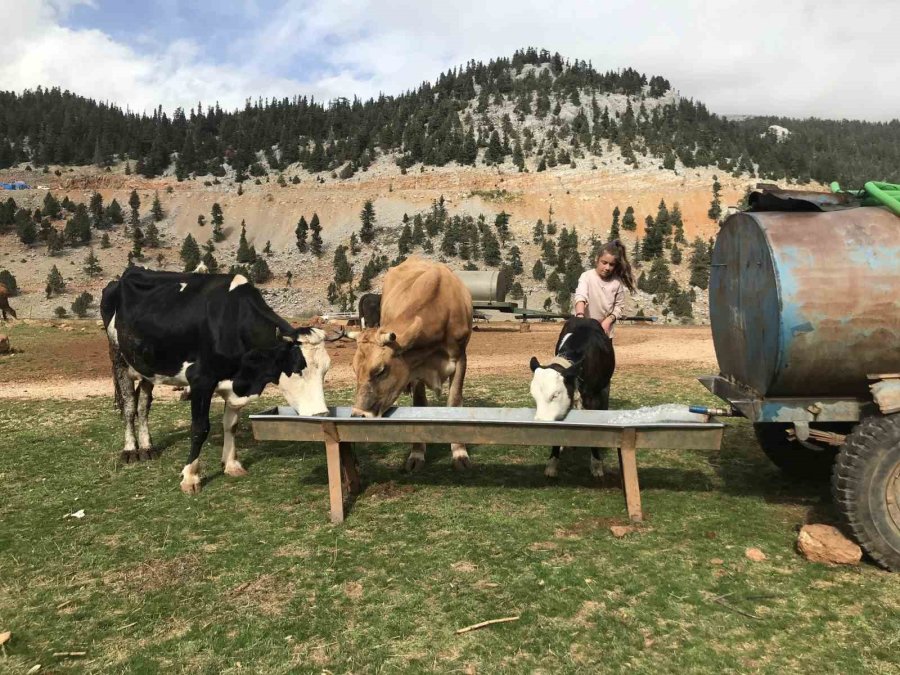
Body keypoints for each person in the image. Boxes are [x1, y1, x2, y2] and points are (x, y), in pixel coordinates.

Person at [573, 239, 635, 337]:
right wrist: (580, 315)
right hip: (583, 330)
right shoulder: (586, 276)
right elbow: (581, 296)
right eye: (604, 262)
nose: (607, 267)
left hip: (604, 333)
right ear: (596, 259)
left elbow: (619, 307)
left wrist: (608, 321)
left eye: (611, 264)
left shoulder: (617, 283)